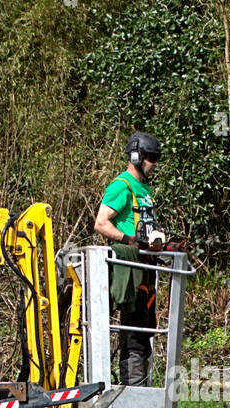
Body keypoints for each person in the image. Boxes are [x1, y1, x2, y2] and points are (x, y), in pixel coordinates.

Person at [94, 131, 164, 387]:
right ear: (137, 157)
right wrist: (129, 241)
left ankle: (139, 388)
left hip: (146, 268)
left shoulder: (144, 189)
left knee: (146, 327)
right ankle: (131, 390)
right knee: (134, 328)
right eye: (152, 158)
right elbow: (101, 223)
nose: (156, 164)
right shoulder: (121, 186)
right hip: (130, 268)